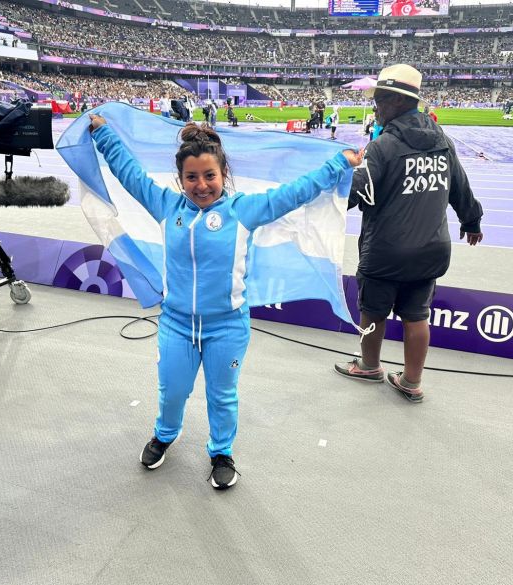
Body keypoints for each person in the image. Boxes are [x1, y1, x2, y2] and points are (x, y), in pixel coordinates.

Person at [88, 114, 363, 489]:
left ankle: (221, 451)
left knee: (222, 395)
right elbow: (129, 172)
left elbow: (297, 191)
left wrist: (338, 163)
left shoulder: (243, 211)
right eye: (192, 177)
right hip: (176, 324)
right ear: (180, 179)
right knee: (173, 390)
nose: (201, 185)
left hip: (227, 327)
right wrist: (103, 133)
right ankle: (164, 435)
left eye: (209, 176)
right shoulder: (167, 207)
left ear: (223, 174)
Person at [333, 64, 483, 403]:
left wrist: (321, 201)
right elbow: (459, 185)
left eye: (381, 101)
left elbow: (354, 195)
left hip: (386, 251)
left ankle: (370, 366)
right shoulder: (441, 139)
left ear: (399, 102)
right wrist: (471, 221)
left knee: (373, 311)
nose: (375, 107)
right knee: (417, 315)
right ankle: (411, 381)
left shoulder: (381, 147)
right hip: (431, 248)